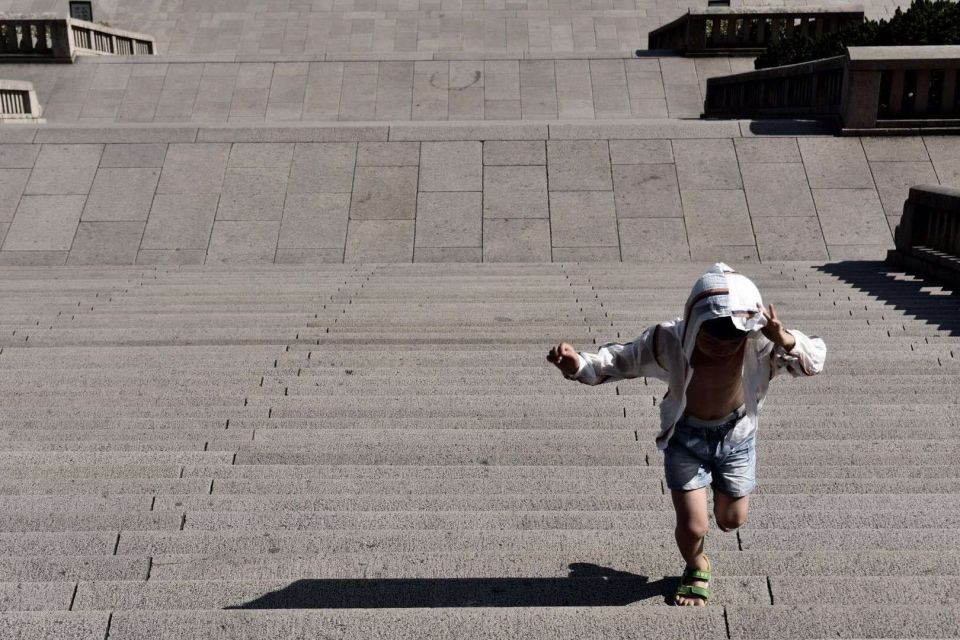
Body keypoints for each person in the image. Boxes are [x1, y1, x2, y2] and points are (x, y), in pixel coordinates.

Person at [547, 263, 826, 606]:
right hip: (686, 440)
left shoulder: (759, 344)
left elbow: (813, 360)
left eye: (732, 339)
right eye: (711, 337)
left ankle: (721, 515)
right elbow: (619, 360)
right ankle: (696, 564)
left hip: (736, 438)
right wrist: (578, 364)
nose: (722, 347)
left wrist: (784, 338)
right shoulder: (668, 341)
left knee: (731, 519)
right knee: (694, 526)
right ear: (694, 325)